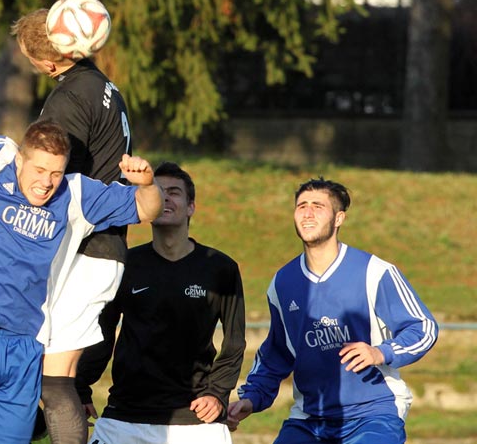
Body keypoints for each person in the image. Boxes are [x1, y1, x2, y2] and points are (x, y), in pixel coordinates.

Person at [0, 100, 161, 444]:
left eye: (55, 173)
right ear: (20, 159)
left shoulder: (77, 193)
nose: (46, 182)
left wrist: (148, 184)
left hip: (26, 345)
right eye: (38, 170)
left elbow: (146, 209)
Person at [0, 4, 132, 443]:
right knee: (50, 379)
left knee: (54, 379)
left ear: (49, 62)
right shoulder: (100, 86)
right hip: (104, 246)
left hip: (89, 248)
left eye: (30, 60)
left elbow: (39, 168)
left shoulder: (67, 99)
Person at [227, 177, 439, 444]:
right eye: (301, 205)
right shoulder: (283, 282)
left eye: (318, 206)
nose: (307, 212)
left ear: (339, 219)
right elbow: (277, 352)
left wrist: (380, 352)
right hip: (309, 419)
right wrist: (251, 398)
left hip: (373, 413)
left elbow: (423, 327)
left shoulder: (374, 271)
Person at [75, 162, 246, 444]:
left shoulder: (220, 268)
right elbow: (101, 333)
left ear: (191, 207)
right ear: (146, 202)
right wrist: (80, 387)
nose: (165, 198)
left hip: (195, 419)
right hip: (125, 416)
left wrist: (217, 393)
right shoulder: (125, 264)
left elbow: (235, 341)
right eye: (157, 191)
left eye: (175, 193)